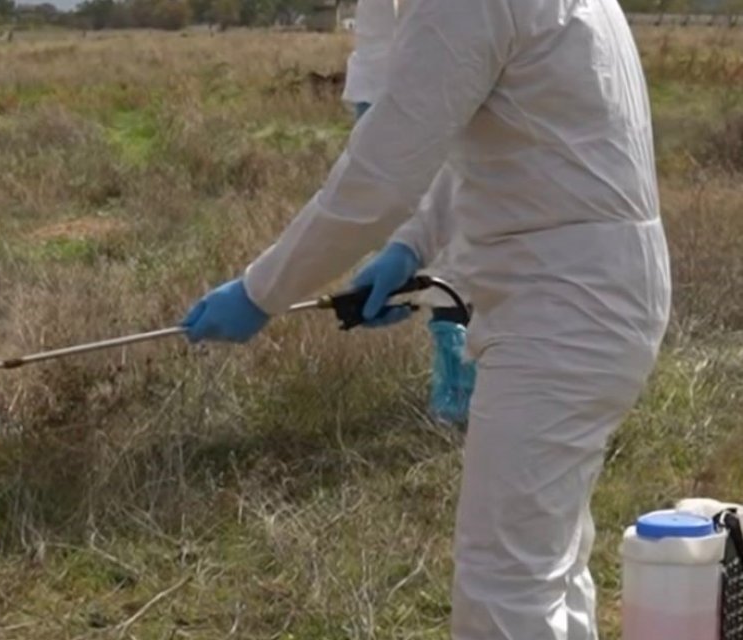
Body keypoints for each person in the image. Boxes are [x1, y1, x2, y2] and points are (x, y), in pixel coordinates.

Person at [180, 0, 672, 636]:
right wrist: (410, 246)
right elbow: (489, 139)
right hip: (588, 296)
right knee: (545, 563)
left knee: (504, 585)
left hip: (566, 309)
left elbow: (381, 172)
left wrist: (261, 291)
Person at [343, 0, 475, 426]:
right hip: (404, 103)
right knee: (433, 245)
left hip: (453, 101)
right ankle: (456, 376)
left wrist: (262, 292)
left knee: (464, 243)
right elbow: (376, 41)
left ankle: (472, 381)